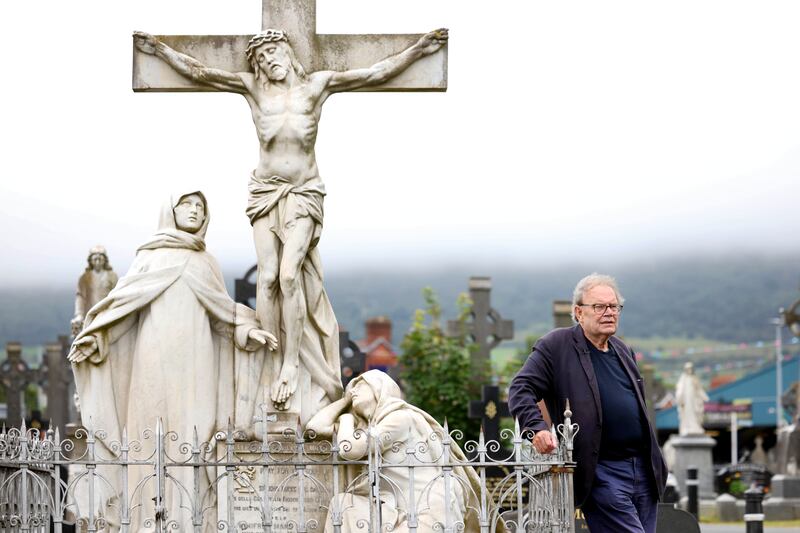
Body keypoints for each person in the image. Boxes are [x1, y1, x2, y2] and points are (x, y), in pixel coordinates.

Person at [132, 28, 448, 419]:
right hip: (265, 191)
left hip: (302, 193)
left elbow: (374, 72)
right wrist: (159, 51)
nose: (268, 61)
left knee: (288, 276)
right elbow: (200, 72)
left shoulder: (317, 86)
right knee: (266, 279)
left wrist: (419, 50)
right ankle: (270, 356)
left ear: (287, 51)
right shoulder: (253, 89)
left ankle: (292, 364)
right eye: (260, 58)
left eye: (273, 51)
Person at [68, 191, 277, 532]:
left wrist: (246, 331)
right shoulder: (150, 257)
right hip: (152, 358)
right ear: (171, 210)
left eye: (200, 207)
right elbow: (122, 309)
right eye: (187, 205)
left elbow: (223, 313)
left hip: (198, 363)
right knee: (149, 436)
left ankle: (195, 520)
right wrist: (96, 338)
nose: (195, 211)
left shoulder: (205, 261)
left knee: (197, 435)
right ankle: (143, 520)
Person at [508, 273, 667, 533]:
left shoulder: (623, 351)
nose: (609, 312)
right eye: (599, 306)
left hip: (643, 471)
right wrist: (536, 428)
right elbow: (520, 388)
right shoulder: (556, 346)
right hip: (602, 471)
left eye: (614, 306)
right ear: (579, 312)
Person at [306, 370, 487, 533]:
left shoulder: (400, 417)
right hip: (397, 510)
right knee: (342, 504)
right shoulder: (368, 430)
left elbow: (350, 450)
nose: (354, 391)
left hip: (428, 507)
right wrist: (345, 400)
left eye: (360, 385)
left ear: (379, 388)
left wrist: (345, 419)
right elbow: (314, 428)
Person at [71, 245, 118, 335]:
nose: (97, 262)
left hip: (107, 314)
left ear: (105, 260)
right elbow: (80, 297)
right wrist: (79, 315)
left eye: (100, 259)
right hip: (90, 315)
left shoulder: (112, 276)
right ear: (90, 261)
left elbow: (116, 295)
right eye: (95, 259)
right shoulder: (84, 277)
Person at [675, 361, 709, 436]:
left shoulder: (695, 379)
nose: (689, 370)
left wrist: (704, 397)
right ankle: (688, 427)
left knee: (695, 413)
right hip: (687, 400)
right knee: (688, 413)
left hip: (694, 400)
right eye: (688, 368)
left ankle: (695, 427)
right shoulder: (683, 379)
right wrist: (680, 398)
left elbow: (699, 389)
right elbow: (680, 390)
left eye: (690, 368)